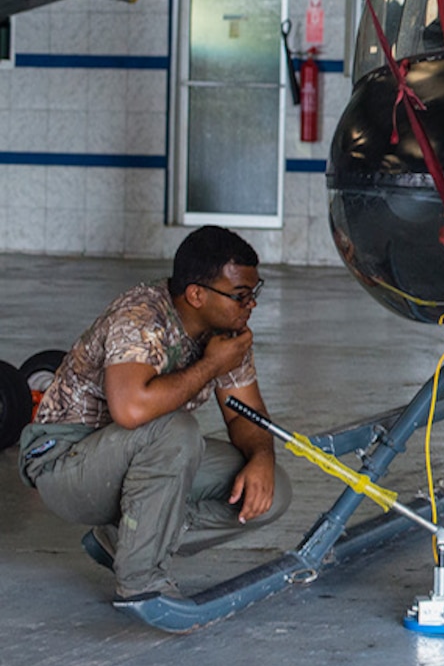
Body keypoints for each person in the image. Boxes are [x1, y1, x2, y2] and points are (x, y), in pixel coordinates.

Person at [18, 226, 292, 615]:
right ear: (196, 294)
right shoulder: (141, 316)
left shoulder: (226, 333)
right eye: (240, 295)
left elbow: (245, 414)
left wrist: (263, 456)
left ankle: (122, 539)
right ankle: (140, 583)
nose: (251, 305)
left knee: (271, 491)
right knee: (174, 430)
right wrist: (212, 364)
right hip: (64, 460)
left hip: (130, 456)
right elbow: (132, 410)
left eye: (254, 292)